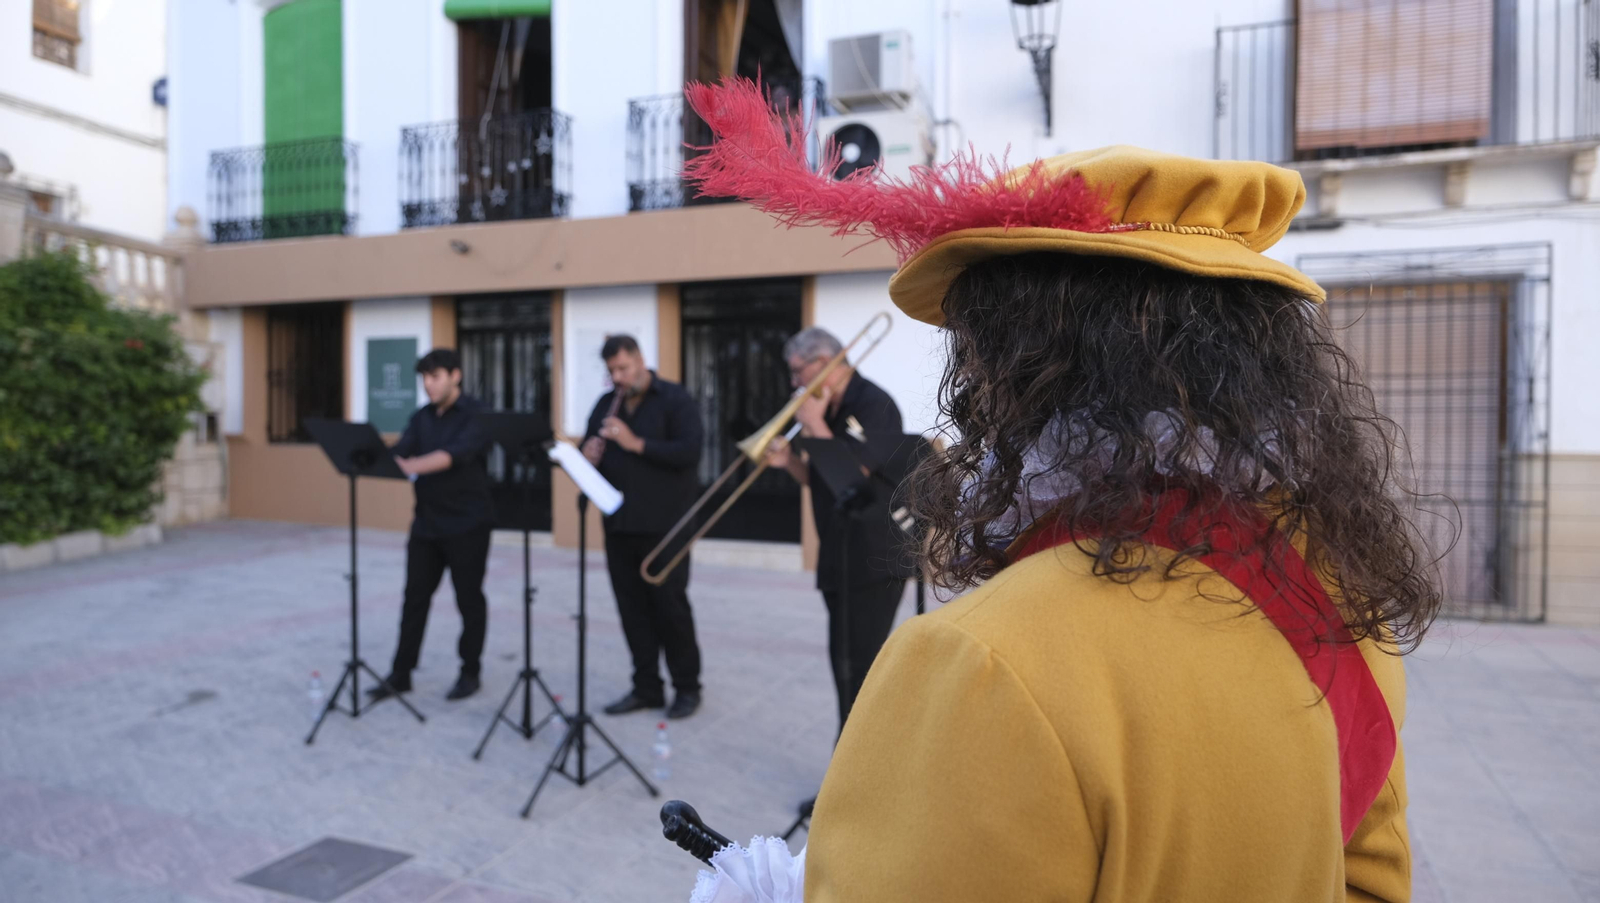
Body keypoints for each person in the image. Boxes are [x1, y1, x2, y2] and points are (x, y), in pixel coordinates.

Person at [679, 78, 1436, 902]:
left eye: (971, 349)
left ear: (1018, 367)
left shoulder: (980, 661)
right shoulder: (1338, 593)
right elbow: (1371, 879)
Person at [765, 327, 912, 735]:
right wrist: (789, 464)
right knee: (844, 669)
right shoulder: (825, 407)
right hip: (839, 550)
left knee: (859, 673)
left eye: (798, 372)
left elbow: (854, 479)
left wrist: (813, 425)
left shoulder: (875, 404)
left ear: (826, 363)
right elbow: (821, 480)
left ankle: (852, 780)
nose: (794, 382)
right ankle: (848, 777)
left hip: (876, 556)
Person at [581, 334, 706, 720]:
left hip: (667, 525)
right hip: (619, 525)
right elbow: (591, 454)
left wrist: (636, 444)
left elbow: (690, 451)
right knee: (631, 609)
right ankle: (646, 687)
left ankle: (687, 687)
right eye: (612, 371)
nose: (618, 377)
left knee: (670, 607)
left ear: (640, 360)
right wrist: (588, 455)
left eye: (624, 368)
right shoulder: (606, 404)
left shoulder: (675, 399)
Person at [370, 348, 494, 703]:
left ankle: (470, 671)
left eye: (435, 376)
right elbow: (403, 449)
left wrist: (409, 466)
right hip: (426, 523)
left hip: (468, 523)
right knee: (414, 599)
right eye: (424, 378)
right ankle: (401, 673)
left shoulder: (476, 414)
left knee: (469, 600)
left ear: (455, 375)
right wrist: (378, 457)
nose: (428, 384)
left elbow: (451, 456)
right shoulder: (422, 417)